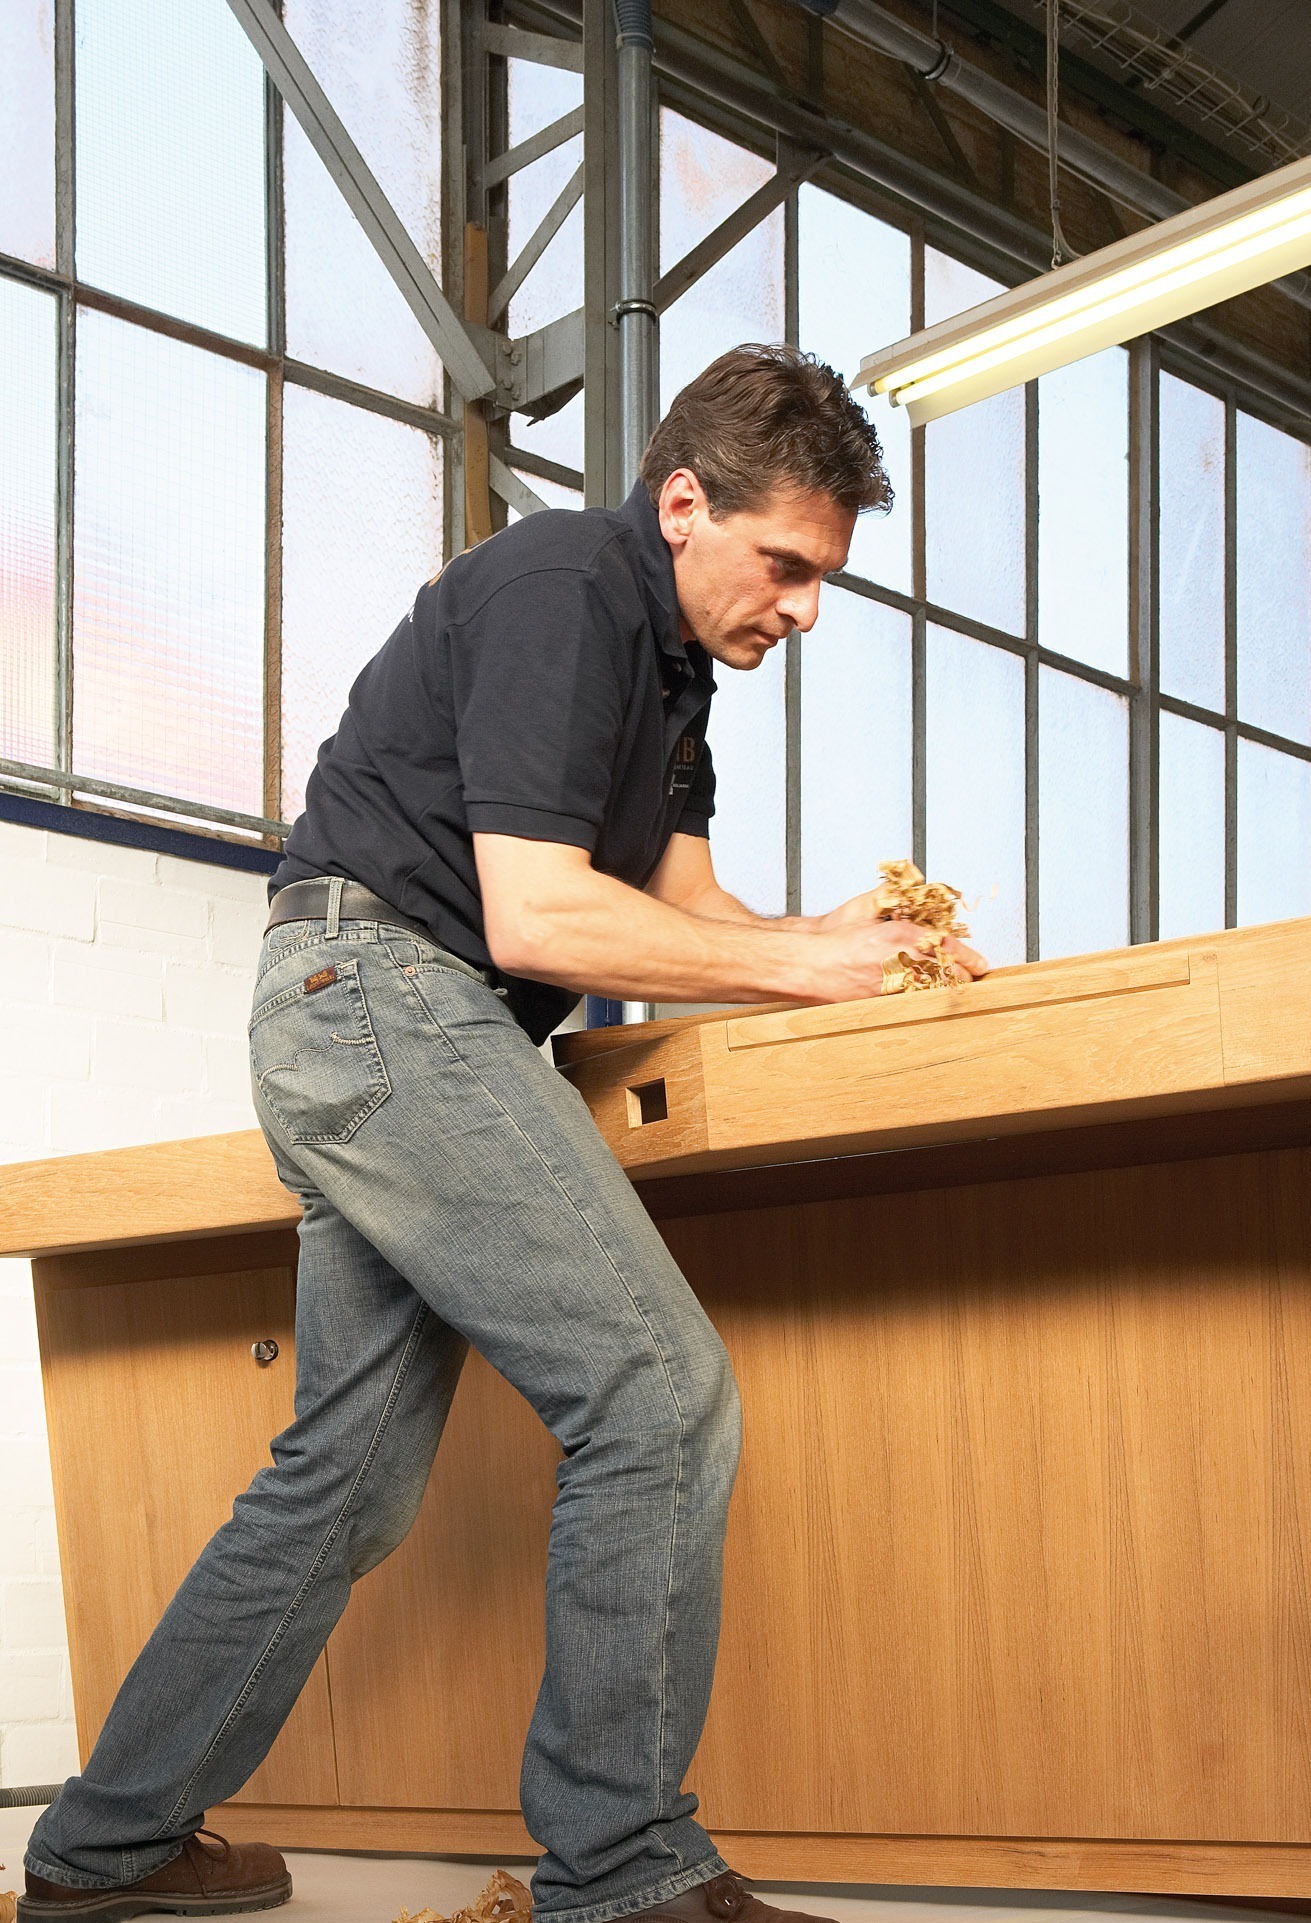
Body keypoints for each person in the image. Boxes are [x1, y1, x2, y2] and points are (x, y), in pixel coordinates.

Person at [21, 344, 985, 1923]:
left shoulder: (674, 676)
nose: (806, 610)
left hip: (384, 1018)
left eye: (826, 577)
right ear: (684, 504)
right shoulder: (565, 587)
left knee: (342, 1481)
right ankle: (621, 1868)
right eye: (787, 565)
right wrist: (808, 971)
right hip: (389, 1000)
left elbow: (683, 908)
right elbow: (539, 917)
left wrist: (849, 944)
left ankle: (100, 1849)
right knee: (655, 1393)